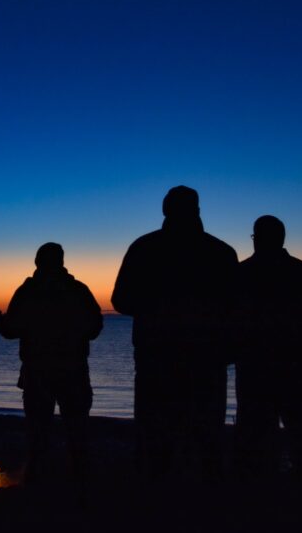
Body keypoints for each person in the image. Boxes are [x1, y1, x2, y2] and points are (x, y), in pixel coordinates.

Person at [111, 186, 238, 480]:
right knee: (206, 436)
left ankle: (156, 498)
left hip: (158, 358)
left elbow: (121, 300)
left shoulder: (144, 248)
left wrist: (154, 308)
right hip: (206, 360)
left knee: (156, 436)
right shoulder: (221, 252)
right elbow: (236, 308)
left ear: (166, 210)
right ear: (197, 210)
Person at [0, 242, 103, 491]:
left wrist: (1, 323)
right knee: (77, 430)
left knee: (38, 433)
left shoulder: (28, 291)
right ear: (61, 261)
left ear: (38, 262)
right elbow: (95, 327)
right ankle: (80, 484)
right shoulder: (78, 290)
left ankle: (37, 483)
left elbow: (12, 329)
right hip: (73, 370)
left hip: (39, 372)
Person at [234, 215, 302, 479]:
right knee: (301, 436)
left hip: (257, 371)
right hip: (298, 370)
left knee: (258, 438)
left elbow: (230, 321)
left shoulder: (242, 274)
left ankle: (264, 491)